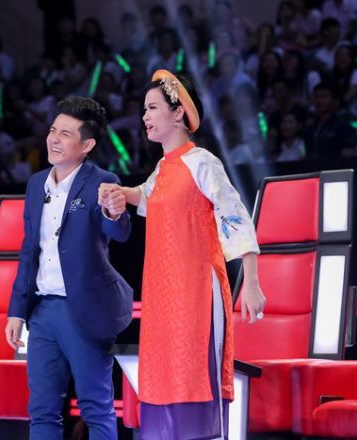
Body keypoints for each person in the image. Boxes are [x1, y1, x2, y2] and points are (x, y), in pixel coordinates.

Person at [98, 70, 266, 439]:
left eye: (152, 107)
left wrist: (251, 282)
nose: (145, 115)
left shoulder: (202, 161)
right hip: (163, 295)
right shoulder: (163, 168)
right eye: (144, 109)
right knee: (163, 378)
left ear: (178, 114)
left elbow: (235, 216)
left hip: (196, 292)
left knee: (194, 375)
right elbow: (147, 195)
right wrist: (119, 193)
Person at [5, 96, 133, 439]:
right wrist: (16, 311)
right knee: (42, 410)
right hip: (42, 313)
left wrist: (114, 211)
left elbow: (119, 232)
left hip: (85, 310)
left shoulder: (102, 180)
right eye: (52, 130)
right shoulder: (36, 184)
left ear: (87, 145)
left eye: (65, 134)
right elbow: (29, 250)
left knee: (95, 407)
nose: (54, 139)